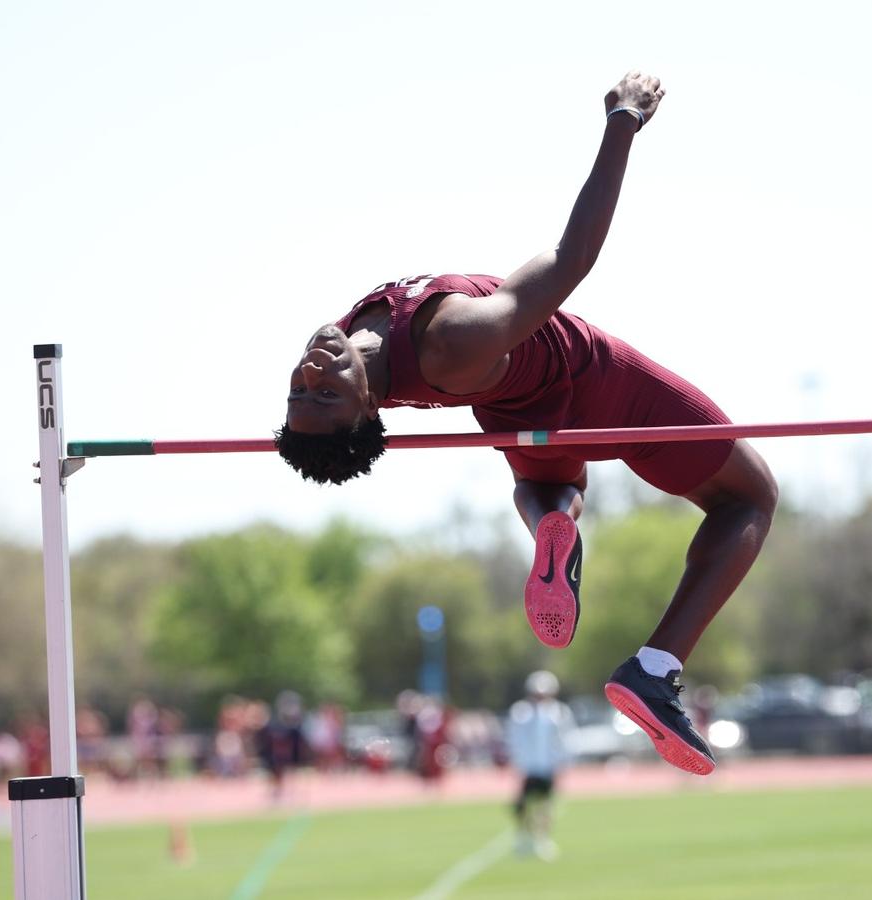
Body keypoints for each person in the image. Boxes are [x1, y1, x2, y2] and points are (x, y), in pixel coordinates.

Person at [278, 70, 778, 776]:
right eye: (323, 393)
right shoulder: (455, 338)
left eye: (298, 388)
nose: (310, 373)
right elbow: (572, 259)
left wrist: (319, 406)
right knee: (751, 497)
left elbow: (319, 413)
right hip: (594, 380)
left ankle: (554, 521)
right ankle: (655, 666)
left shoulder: (361, 355)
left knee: (549, 477)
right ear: (366, 409)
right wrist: (624, 123)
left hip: (515, 410)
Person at [506, 670, 575, 860]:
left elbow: (564, 739)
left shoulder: (558, 712)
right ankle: (524, 837)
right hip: (528, 766)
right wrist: (516, 762)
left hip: (548, 766)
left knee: (545, 805)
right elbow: (514, 739)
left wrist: (563, 762)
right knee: (524, 805)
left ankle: (542, 839)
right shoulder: (520, 712)